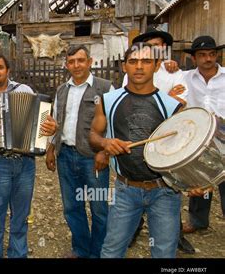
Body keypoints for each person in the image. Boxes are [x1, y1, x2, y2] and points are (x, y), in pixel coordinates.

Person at [90, 42, 184, 258]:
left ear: (157, 65)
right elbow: (93, 136)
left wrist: (194, 180)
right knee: (111, 252)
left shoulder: (172, 105)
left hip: (165, 191)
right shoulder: (108, 101)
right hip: (125, 190)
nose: (139, 67)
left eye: (146, 62)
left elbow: (181, 150)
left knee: (163, 254)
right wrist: (105, 144)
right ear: (124, 66)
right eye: (133, 62)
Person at [0, 54, 57, 258]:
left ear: (8, 71)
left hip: (26, 162)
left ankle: (18, 254)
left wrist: (50, 127)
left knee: (21, 215)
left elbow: (42, 122)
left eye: (0, 67)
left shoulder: (23, 90)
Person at [125, 28, 194, 254]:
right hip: (139, 137)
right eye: (151, 45)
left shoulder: (176, 73)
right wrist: (166, 99)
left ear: (165, 49)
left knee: (170, 186)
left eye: (160, 45)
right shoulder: (132, 72)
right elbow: (130, 103)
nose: (156, 49)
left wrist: (152, 105)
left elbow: (180, 104)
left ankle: (175, 236)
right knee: (135, 186)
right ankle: (135, 228)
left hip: (168, 140)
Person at [45, 45, 113, 258]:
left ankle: (99, 252)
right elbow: (55, 121)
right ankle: (81, 250)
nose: (76, 65)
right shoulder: (62, 90)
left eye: (80, 60)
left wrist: (104, 153)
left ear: (90, 62)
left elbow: (112, 123)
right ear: (67, 65)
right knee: (72, 207)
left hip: (92, 158)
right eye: (71, 61)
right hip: (65, 156)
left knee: (99, 209)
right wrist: (51, 148)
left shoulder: (105, 88)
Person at [181, 35, 225, 234]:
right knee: (198, 176)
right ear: (194, 58)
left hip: (224, 133)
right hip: (198, 135)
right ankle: (198, 221)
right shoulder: (185, 78)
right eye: (202, 55)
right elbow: (160, 76)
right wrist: (170, 65)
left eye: (212, 54)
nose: (208, 58)